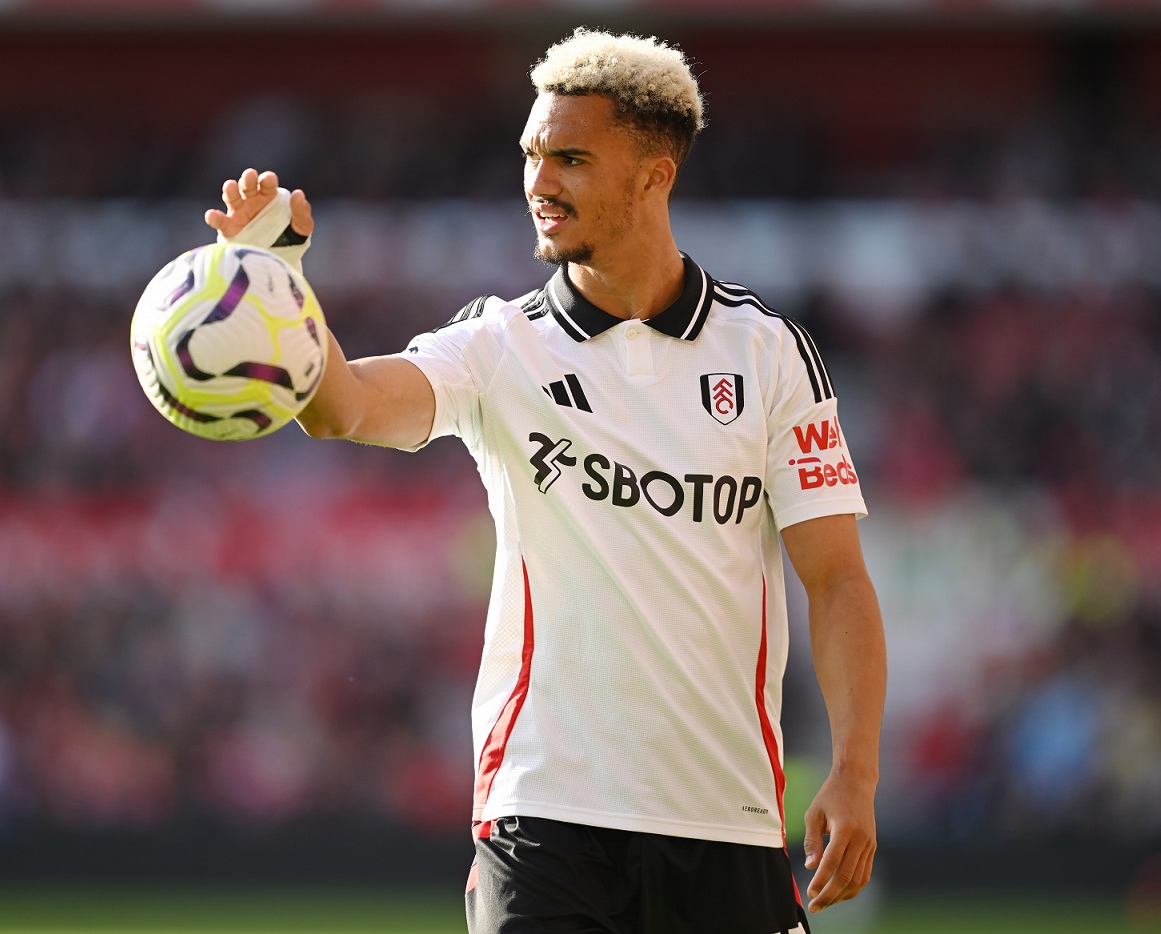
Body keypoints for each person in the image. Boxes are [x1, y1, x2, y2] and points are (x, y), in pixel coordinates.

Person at [206, 28, 885, 934]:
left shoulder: (768, 355)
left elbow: (835, 577)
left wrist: (854, 771)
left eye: (569, 157)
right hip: (546, 822)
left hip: (726, 823)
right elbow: (347, 407)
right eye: (530, 154)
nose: (539, 181)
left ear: (654, 175)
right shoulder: (498, 346)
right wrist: (280, 276)